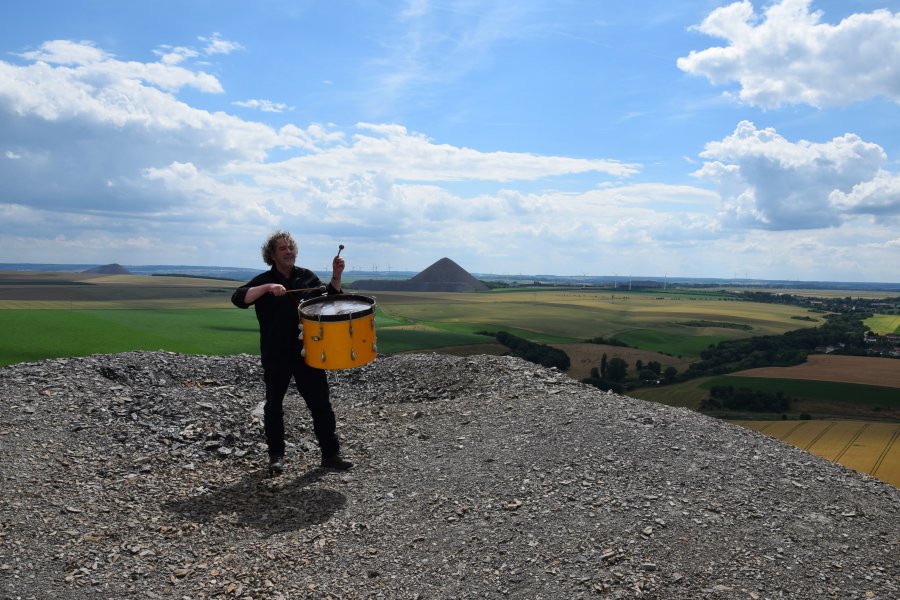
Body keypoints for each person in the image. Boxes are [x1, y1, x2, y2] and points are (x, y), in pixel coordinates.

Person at [231, 231, 353, 474]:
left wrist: (337, 277)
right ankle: (276, 456)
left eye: (291, 248)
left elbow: (329, 302)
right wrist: (267, 288)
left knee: (321, 404)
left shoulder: (307, 277)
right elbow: (239, 298)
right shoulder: (263, 280)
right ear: (272, 255)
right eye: (283, 248)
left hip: (308, 351)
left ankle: (331, 455)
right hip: (276, 353)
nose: (289, 251)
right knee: (274, 406)